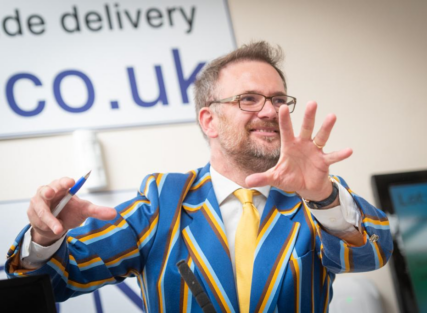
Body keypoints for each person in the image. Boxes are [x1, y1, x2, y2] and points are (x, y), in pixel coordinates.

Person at [6, 42, 392, 313]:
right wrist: (44, 237)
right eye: (248, 99)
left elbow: (372, 252)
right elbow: (57, 281)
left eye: (278, 100)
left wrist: (323, 196)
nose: (271, 111)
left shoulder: (317, 198)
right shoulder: (164, 200)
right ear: (209, 120)